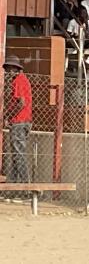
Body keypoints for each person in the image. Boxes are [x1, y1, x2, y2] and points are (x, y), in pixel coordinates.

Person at [4, 55, 32, 187]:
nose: (9, 71)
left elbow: (21, 103)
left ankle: (25, 186)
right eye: (8, 68)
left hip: (19, 121)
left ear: (16, 69)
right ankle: (16, 185)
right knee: (17, 154)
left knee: (18, 155)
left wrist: (8, 116)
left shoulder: (18, 81)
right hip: (24, 120)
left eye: (11, 68)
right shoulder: (23, 79)